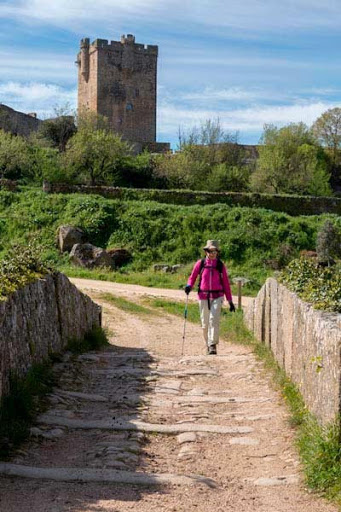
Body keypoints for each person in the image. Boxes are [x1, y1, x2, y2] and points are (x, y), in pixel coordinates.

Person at [184, 240, 235, 355]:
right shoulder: (200, 263)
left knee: (214, 320)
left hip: (217, 296)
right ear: (206, 252)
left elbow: (226, 283)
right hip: (203, 295)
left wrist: (230, 300)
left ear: (217, 252)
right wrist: (188, 286)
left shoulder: (220, 265)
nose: (212, 253)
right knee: (205, 323)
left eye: (214, 251)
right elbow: (192, 277)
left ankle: (212, 345)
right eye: (210, 251)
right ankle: (208, 344)